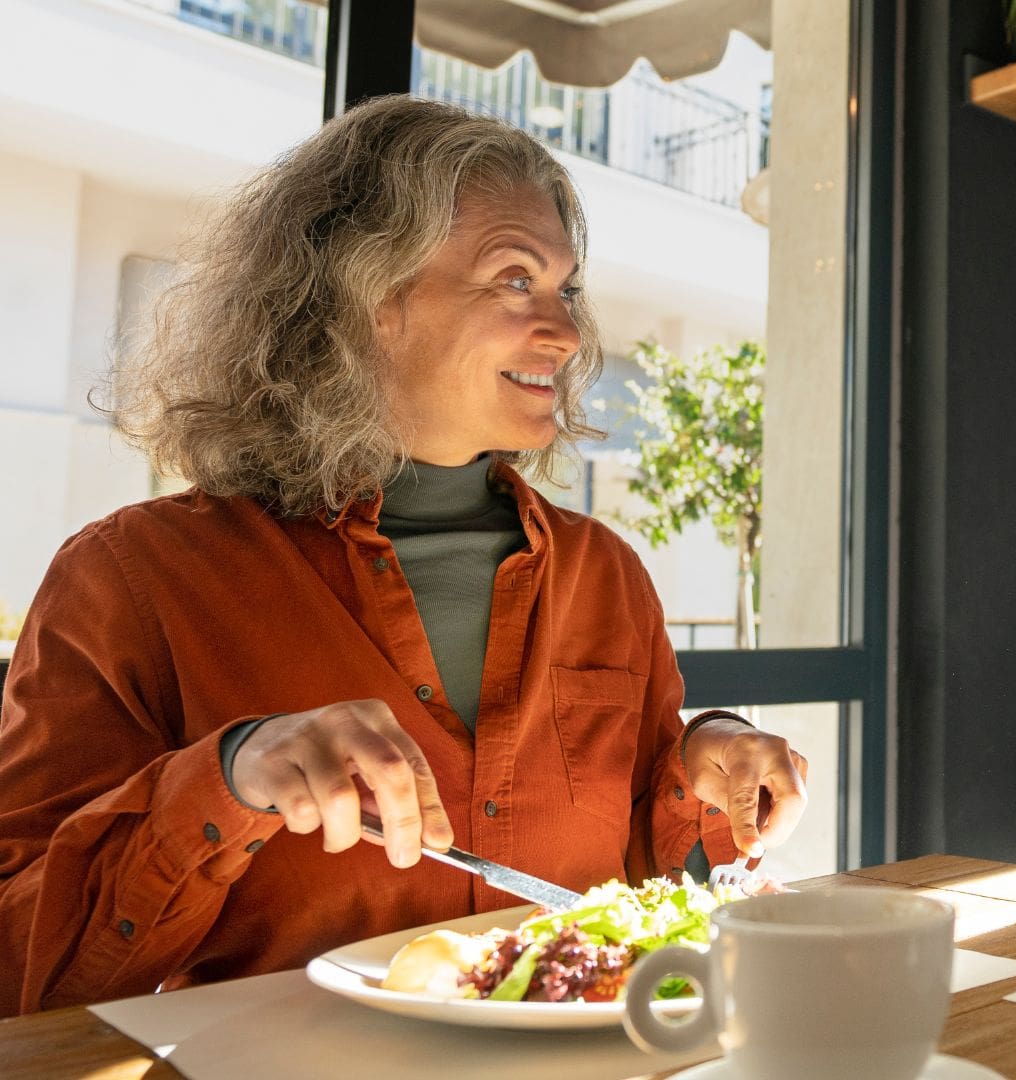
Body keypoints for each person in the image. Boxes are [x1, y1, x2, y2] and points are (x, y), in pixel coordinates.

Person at [0, 96, 808, 1015]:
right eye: (514, 280)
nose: (570, 333)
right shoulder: (132, 580)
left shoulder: (606, 575)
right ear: (368, 297)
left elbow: (636, 873)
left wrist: (712, 755)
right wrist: (230, 776)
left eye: (567, 289)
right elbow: (23, 969)